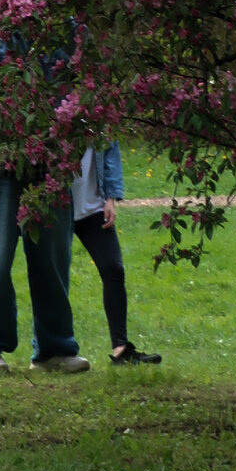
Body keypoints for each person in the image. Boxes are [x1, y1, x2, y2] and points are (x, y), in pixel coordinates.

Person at [0, 1, 88, 374]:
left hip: (50, 158)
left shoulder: (66, 22)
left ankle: (54, 350)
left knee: (52, 261)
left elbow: (84, 74)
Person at [71, 143, 161, 366]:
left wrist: (110, 198)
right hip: (57, 206)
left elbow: (109, 149)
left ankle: (121, 349)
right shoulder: (50, 108)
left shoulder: (98, 110)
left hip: (93, 208)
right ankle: (46, 349)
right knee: (52, 275)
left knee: (113, 268)